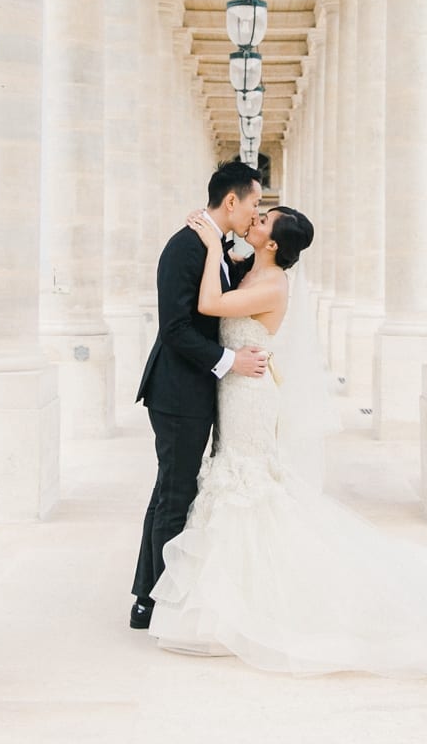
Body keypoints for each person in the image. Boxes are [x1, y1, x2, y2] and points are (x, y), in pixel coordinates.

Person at [147, 206, 427, 678]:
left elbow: (208, 305)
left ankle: (249, 604)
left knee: (247, 485)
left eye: (264, 220)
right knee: (234, 480)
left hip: (250, 396)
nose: (256, 219)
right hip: (234, 389)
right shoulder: (251, 271)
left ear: (273, 242)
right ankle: (235, 596)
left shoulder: (272, 284)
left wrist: (211, 246)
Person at [130, 161, 270, 630]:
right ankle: (156, 604)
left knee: (171, 489)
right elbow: (175, 329)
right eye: (254, 203)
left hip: (193, 390)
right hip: (176, 393)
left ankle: (148, 595)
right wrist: (232, 363)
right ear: (231, 201)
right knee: (175, 493)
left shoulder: (213, 248)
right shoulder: (184, 247)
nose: (256, 213)